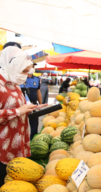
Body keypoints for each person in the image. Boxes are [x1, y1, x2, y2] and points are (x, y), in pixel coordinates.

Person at [0, 46, 47, 186]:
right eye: (24, 71)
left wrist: (31, 108)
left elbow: (18, 107)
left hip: (18, 143)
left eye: (27, 71)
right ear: (12, 65)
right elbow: (16, 110)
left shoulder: (15, 84)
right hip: (3, 146)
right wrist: (18, 111)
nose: (26, 75)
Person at [20, 63, 42, 140]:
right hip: (22, 106)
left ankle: (33, 139)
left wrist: (41, 103)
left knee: (34, 124)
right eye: (31, 66)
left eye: (33, 66)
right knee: (22, 124)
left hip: (34, 104)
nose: (33, 68)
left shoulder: (37, 79)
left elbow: (38, 92)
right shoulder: (21, 78)